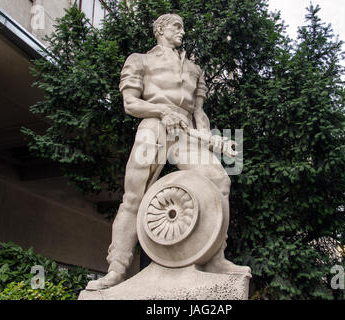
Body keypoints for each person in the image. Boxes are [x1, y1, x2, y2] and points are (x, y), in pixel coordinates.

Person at [86, 13, 250, 291]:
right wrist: (162, 110)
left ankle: (215, 258)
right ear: (160, 29)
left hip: (185, 134)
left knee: (220, 180)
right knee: (133, 197)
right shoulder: (140, 60)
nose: (182, 32)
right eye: (177, 26)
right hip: (153, 126)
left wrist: (210, 138)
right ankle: (116, 270)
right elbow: (130, 103)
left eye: (183, 27)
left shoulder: (195, 70)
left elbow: (199, 113)